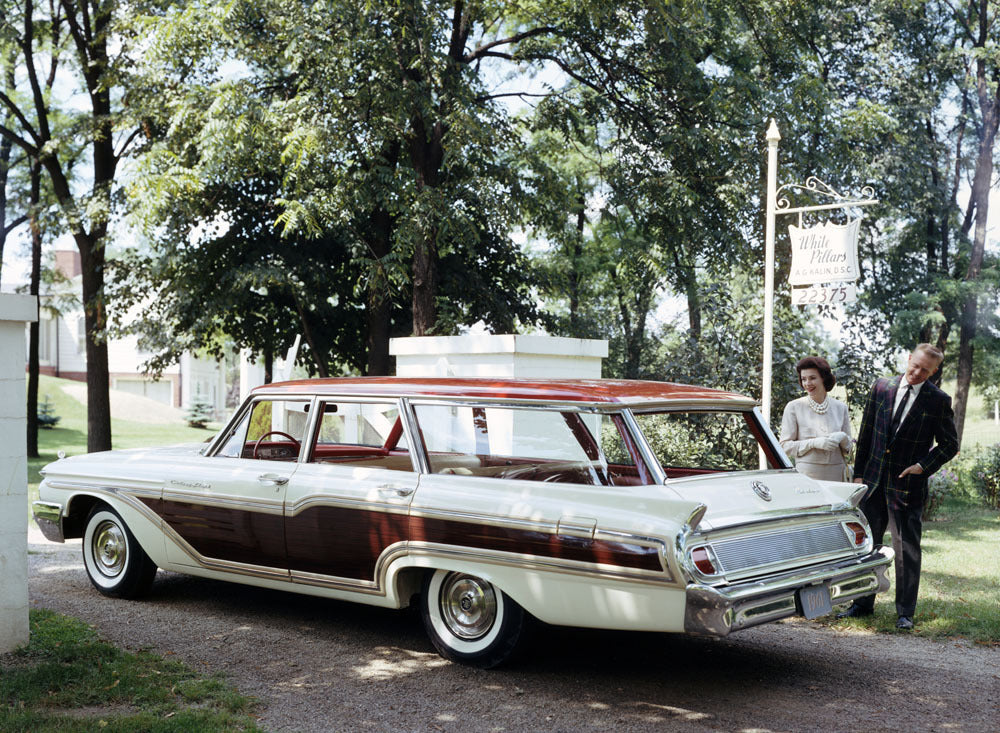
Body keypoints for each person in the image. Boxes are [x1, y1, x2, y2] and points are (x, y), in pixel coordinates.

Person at [838, 343, 959, 630]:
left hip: (908, 486)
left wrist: (922, 467)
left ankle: (905, 612)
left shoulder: (937, 400)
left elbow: (950, 444)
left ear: (934, 371)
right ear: (908, 358)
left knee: (906, 548)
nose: (917, 373)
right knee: (868, 545)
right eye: (915, 365)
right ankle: (861, 603)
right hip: (873, 482)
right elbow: (867, 433)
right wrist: (859, 476)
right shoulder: (881, 387)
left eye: (925, 370)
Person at [779, 356, 852, 481]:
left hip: (836, 475)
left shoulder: (841, 407)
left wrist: (843, 438)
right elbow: (785, 446)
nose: (807, 383)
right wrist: (814, 443)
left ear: (824, 378)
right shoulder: (794, 407)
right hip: (808, 476)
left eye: (812, 378)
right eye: (804, 379)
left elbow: (849, 449)